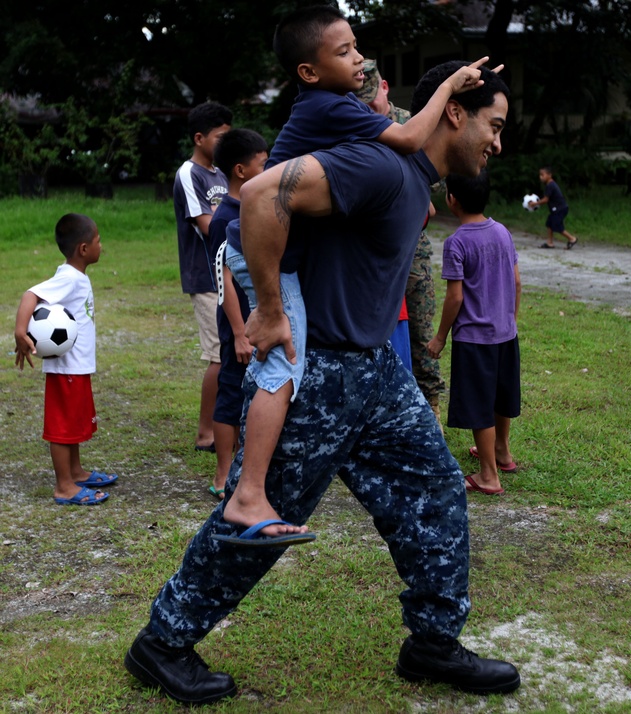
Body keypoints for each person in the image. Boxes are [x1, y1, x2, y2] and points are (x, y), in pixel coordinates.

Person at [123, 59, 518, 705]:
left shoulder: (410, 174)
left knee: (436, 486)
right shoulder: (381, 167)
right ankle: (162, 643)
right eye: (493, 124)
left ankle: (433, 642)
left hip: (376, 373)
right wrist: (271, 308)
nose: (498, 142)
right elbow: (262, 196)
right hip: (321, 376)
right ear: (455, 112)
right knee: (261, 519)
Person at [220, 4, 497, 538]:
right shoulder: (327, 106)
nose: (359, 58)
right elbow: (411, 138)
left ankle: (250, 492)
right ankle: (248, 495)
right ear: (309, 71)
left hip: (282, 257)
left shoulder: (332, 104)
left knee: (283, 364)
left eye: (357, 47)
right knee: (280, 365)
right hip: (261, 252)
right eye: (344, 51)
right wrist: (452, 85)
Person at [359, 58, 447, 424]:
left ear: (384, 87)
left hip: (412, 248)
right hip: (370, 246)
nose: (369, 110)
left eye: (372, 102)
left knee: (422, 331)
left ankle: (430, 409)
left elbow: (439, 182)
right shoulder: (357, 125)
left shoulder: (415, 123)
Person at [426, 170, 521, 496]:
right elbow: (517, 280)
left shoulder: (457, 243)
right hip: (506, 333)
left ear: (451, 199)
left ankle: (488, 476)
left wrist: (440, 337)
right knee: (500, 395)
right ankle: (502, 453)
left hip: (474, 338)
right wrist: (510, 318)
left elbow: (455, 296)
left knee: (481, 404)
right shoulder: (503, 232)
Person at [14, 213, 118, 506]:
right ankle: (64, 487)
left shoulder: (76, 276)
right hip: (66, 369)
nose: (102, 245)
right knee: (62, 428)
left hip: (77, 366)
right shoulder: (68, 278)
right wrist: (21, 332)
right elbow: (30, 294)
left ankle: (75, 471)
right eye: (98, 241)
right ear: (83, 249)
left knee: (74, 424)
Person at [205, 128, 269, 500]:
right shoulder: (224, 218)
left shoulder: (256, 206)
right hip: (238, 325)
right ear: (241, 171)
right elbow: (222, 277)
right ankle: (222, 472)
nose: (271, 169)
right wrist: (239, 332)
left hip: (262, 319)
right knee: (231, 392)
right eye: (264, 164)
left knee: (259, 391)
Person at [173, 101, 232, 453]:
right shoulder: (189, 174)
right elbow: (209, 227)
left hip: (231, 273)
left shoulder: (223, 173)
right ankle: (205, 432)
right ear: (199, 138)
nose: (225, 144)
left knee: (235, 351)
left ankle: (227, 424)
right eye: (220, 137)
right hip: (207, 277)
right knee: (218, 356)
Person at [529, 166, 578, 250]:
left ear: (549, 175)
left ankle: (572, 239)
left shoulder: (550, 185)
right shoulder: (549, 185)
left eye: (542, 175)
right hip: (556, 209)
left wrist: (535, 203)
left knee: (557, 226)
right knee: (549, 224)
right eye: (540, 175)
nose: (541, 177)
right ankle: (550, 243)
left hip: (560, 209)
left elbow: (545, 200)